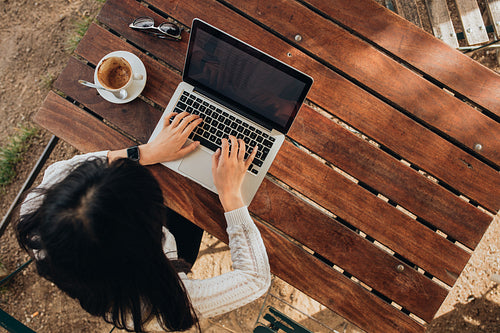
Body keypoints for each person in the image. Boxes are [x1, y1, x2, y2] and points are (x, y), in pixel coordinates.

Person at [15, 111, 271, 332]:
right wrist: (230, 196)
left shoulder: (37, 207)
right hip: (164, 257)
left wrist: (145, 152)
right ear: (150, 235)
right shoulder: (153, 305)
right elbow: (254, 278)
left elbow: (68, 167)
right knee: (193, 201)